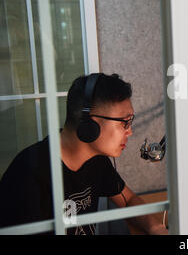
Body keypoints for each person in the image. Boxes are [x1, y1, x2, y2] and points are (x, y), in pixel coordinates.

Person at [0, 73, 168, 235]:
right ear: (90, 125)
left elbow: (128, 200)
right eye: (124, 122)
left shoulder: (96, 160)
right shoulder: (28, 173)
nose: (130, 132)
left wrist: (156, 228)